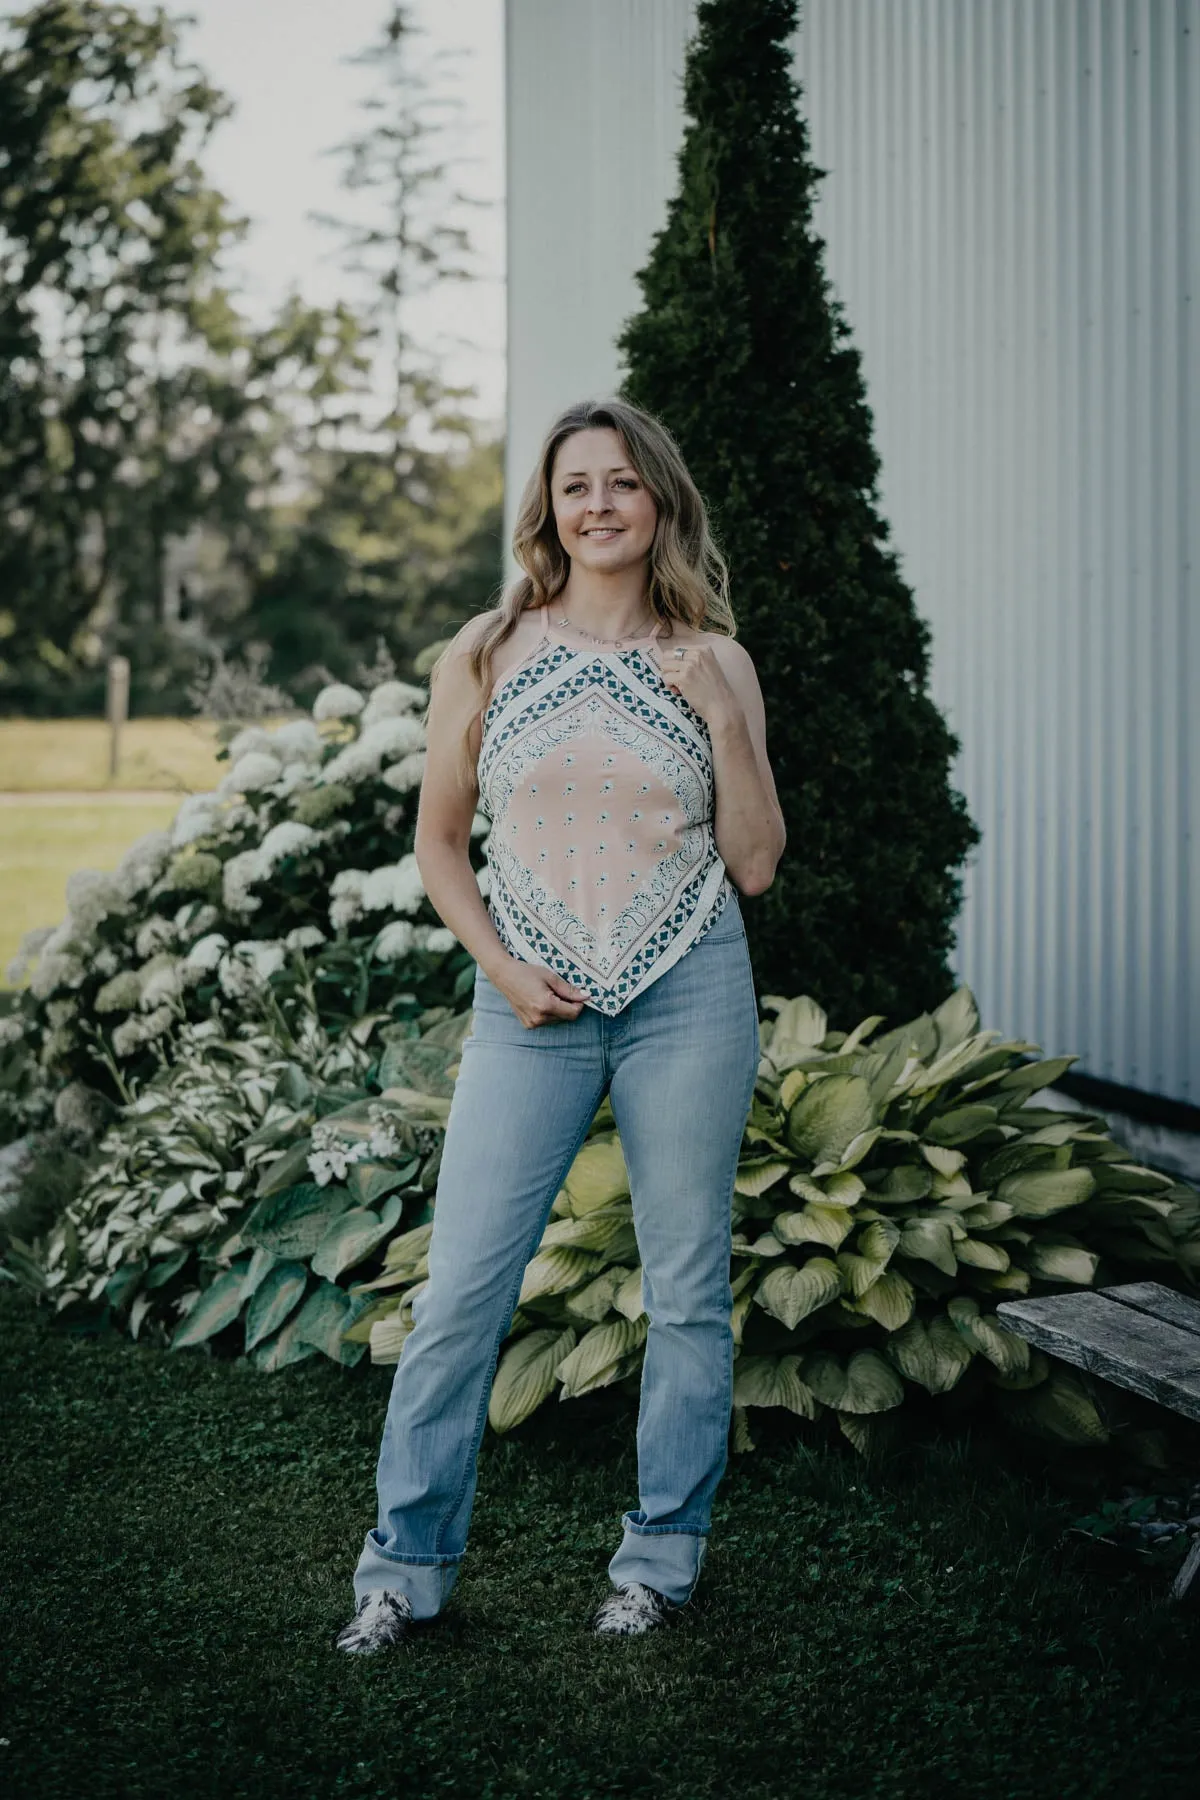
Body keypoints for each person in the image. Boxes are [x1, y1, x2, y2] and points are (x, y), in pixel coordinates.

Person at [336, 397, 786, 1653]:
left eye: (624, 485)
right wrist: (504, 968)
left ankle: (658, 1565)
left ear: (660, 507)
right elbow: (438, 843)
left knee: (689, 1288)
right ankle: (402, 1571)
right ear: (549, 507)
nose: (600, 505)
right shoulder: (488, 650)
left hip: (688, 991)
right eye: (577, 484)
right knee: (461, 1292)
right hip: (526, 1000)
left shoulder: (716, 658)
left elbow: (755, 865)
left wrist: (725, 720)